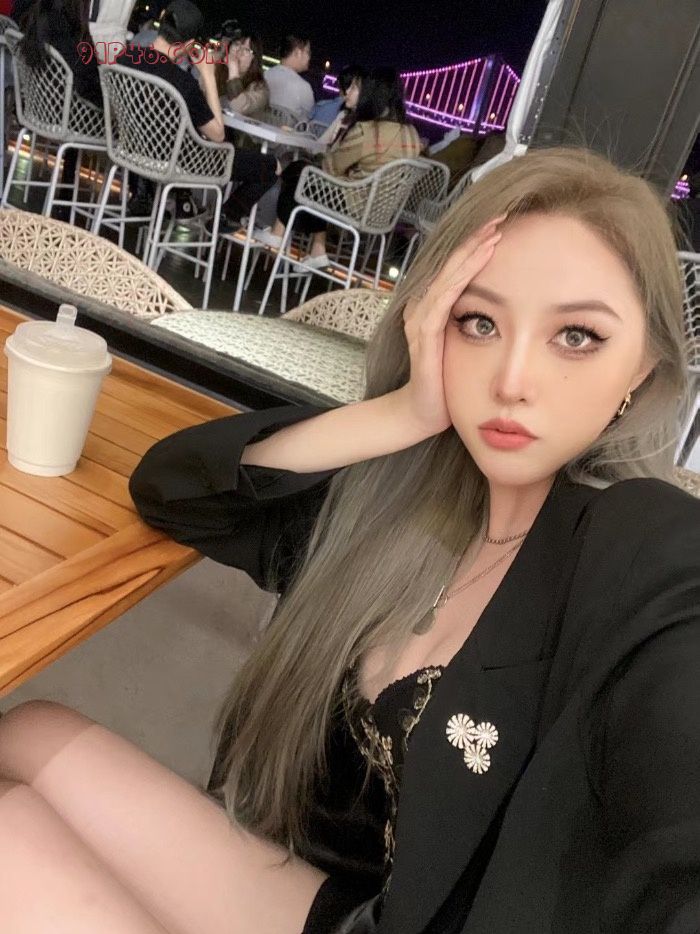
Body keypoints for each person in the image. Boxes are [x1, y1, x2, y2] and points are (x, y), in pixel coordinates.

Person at [1, 147, 699, 934]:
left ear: (643, 366)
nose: (512, 380)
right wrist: (405, 413)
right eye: (478, 323)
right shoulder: (407, 507)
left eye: (576, 335)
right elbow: (176, 490)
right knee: (27, 732)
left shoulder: (638, 550)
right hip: (339, 903)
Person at [116, 0, 279, 227]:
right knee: (271, 166)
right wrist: (208, 74)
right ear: (190, 44)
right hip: (182, 161)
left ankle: (176, 204)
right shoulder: (182, 82)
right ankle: (226, 217)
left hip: (130, 148)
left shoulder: (125, 57)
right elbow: (218, 135)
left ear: (162, 22)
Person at [268, 66, 421, 268]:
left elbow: (330, 168)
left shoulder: (367, 130)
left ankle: (278, 235)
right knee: (304, 178)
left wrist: (340, 140)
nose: (349, 91)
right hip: (384, 214)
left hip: (356, 205)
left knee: (299, 174)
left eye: (358, 88)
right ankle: (315, 250)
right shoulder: (412, 134)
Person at [16, 0, 100, 106]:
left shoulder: (40, 14)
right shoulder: (60, 24)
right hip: (71, 106)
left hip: (41, 102)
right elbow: (84, 82)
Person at [216, 32, 269, 121]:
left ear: (254, 58)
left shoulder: (260, 88)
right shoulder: (216, 70)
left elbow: (238, 107)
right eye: (236, 45)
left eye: (247, 50)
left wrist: (233, 71)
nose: (239, 52)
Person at [264, 33, 314, 122]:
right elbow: (309, 119)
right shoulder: (303, 87)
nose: (309, 57)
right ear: (298, 53)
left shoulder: (265, 76)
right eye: (308, 52)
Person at [316, 64, 365, 146]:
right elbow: (322, 141)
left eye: (353, 88)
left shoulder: (363, 124)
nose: (347, 92)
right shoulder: (343, 115)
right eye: (347, 87)